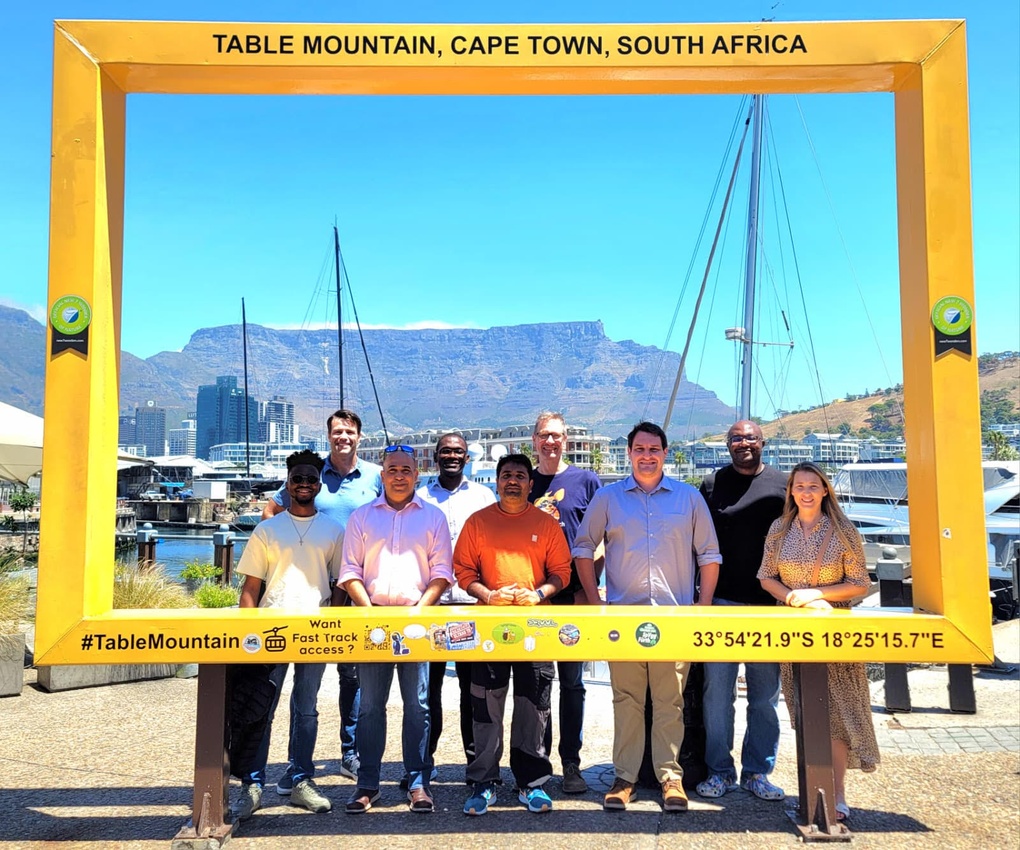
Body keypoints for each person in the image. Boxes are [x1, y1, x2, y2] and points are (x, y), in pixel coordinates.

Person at [573, 422, 721, 813]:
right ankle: (625, 778)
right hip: (623, 621)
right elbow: (584, 548)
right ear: (629, 453)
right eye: (639, 449)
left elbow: (709, 554)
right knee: (627, 701)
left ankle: (671, 778)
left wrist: (703, 607)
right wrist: (595, 602)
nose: (647, 456)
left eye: (654, 449)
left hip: (674, 619)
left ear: (665, 453)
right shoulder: (608, 498)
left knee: (671, 702)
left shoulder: (689, 498)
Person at [263, 408, 381, 785]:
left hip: (357, 590)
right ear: (329, 436)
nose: (343, 437)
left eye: (349, 431)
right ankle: (295, 765)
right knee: (302, 689)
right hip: (312, 589)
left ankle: (350, 753)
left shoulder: (375, 477)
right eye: (337, 431)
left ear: (359, 437)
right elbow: (272, 510)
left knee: (353, 677)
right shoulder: (310, 474)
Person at [757, 460, 880, 824]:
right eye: (799, 486)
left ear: (825, 490)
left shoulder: (842, 529)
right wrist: (791, 596)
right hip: (793, 630)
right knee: (805, 711)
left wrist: (816, 593)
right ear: (791, 491)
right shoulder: (779, 528)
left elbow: (860, 583)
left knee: (837, 715)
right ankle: (813, 789)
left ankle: (836, 793)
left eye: (813, 486)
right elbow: (766, 576)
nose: (806, 493)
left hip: (834, 631)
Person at [454, 453, 572, 816]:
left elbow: (562, 572)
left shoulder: (546, 524)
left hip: (536, 629)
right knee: (485, 705)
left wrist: (539, 593)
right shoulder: (478, 522)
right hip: (490, 629)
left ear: (530, 484)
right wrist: (488, 595)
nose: (512, 481)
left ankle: (531, 782)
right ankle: (484, 781)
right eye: (506, 475)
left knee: (534, 705)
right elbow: (463, 571)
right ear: (497, 481)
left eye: (520, 476)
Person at [338, 444, 453, 815]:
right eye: (392, 470)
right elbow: (350, 571)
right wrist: (369, 613)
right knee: (370, 706)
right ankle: (368, 784)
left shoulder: (433, 517)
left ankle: (418, 782)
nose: (399, 476)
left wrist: (419, 612)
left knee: (418, 705)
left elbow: (442, 572)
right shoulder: (362, 517)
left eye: (406, 470)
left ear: (416, 475)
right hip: (372, 621)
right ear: (382, 475)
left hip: (416, 622)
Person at [232, 450, 344, 820]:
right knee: (259, 709)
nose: (304, 484)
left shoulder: (334, 530)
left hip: (315, 631)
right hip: (270, 630)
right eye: (298, 478)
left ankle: (300, 780)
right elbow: (251, 588)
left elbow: (339, 584)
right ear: (288, 483)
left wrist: (333, 623)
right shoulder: (266, 530)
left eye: (311, 478)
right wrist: (246, 635)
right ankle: (251, 785)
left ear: (320, 484)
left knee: (306, 709)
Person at [697, 420, 787, 802]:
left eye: (750, 437)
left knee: (764, 698)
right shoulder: (711, 485)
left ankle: (757, 772)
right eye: (736, 438)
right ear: (727, 444)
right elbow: (697, 541)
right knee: (717, 696)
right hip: (721, 604)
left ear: (762, 442)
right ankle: (719, 772)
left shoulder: (784, 485)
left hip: (770, 607)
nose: (743, 443)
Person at [528, 411, 602, 794]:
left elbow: (603, 539)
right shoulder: (524, 481)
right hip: (535, 602)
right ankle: (539, 765)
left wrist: (589, 590)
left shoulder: (586, 481)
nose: (550, 441)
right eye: (544, 435)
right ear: (534, 440)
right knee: (539, 685)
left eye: (556, 435)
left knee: (572, 684)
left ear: (566, 440)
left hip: (573, 600)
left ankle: (571, 763)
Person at [416, 432, 496, 778]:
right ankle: (423, 761)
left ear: (467, 457)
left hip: (469, 604)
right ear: (436, 457)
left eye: (458, 452)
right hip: (430, 605)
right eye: (445, 451)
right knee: (426, 691)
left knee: (472, 690)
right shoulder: (419, 497)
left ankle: (475, 763)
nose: (451, 456)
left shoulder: (483, 496)